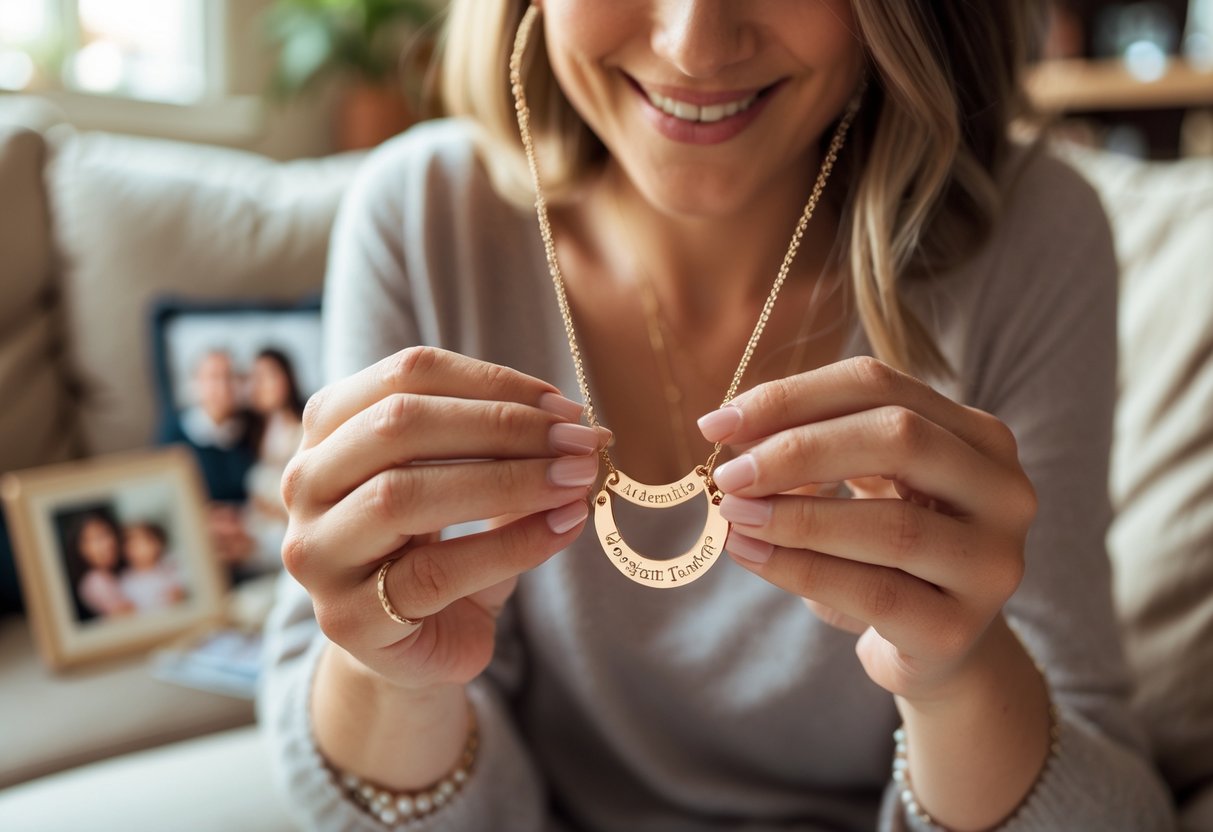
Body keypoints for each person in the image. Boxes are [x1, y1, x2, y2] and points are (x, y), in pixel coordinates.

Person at [260, 2, 1176, 830]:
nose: (692, 45)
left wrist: (957, 674)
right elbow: (379, 778)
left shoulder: (1030, 234)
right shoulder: (424, 217)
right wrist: (392, 670)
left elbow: (1108, 804)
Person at [241, 348, 307, 575]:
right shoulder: (255, 434)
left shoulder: (302, 429)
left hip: (287, 532)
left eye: (268, 376)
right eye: (254, 378)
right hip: (259, 529)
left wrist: (270, 508)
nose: (260, 385)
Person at [64, 510, 132, 621]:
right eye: (92, 539)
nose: (105, 544)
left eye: (106, 533)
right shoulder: (95, 582)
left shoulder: (123, 572)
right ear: (80, 549)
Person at [119, 521, 186, 613]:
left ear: (158, 544)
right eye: (129, 543)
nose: (134, 548)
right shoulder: (125, 580)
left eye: (142, 542)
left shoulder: (170, 569)